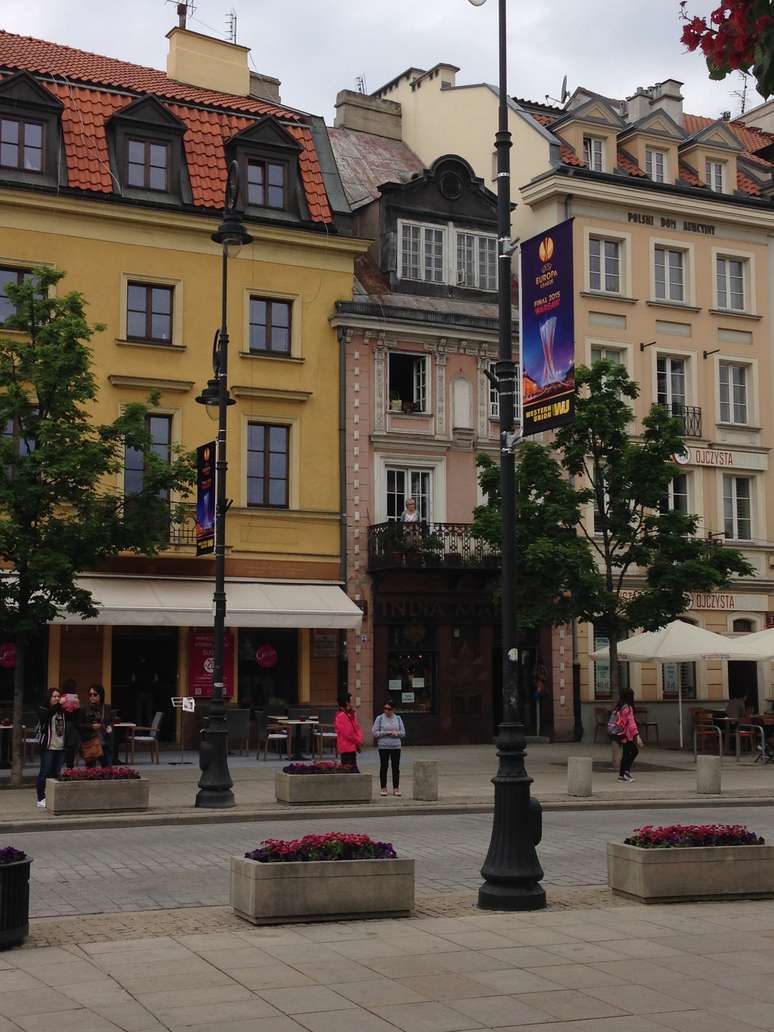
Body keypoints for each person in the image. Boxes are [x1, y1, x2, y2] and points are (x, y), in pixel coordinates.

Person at [36, 688, 69, 807]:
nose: (57, 698)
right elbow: (45, 717)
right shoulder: (43, 709)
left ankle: (52, 797)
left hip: (60, 746)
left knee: (55, 773)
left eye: (58, 696)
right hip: (48, 746)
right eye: (54, 696)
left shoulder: (62, 711)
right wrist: (58, 704)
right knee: (44, 772)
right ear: (48, 698)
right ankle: (41, 798)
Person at [372, 700, 405, 796]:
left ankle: (396, 788)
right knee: (384, 767)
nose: (386, 711)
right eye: (385, 708)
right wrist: (386, 733)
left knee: (396, 767)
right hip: (383, 746)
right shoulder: (380, 718)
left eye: (389, 709)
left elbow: (403, 733)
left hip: (396, 746)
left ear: (393, 709)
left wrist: (397, 733)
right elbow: (374, 733)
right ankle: (383, 787)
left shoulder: (398, 718)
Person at [610, 687, 642, 783]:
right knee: (633, 751)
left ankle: (624, 773)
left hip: (620, 734)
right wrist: (637, 736)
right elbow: (631, 723)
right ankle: (624, 774)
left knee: (627, 753)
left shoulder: (620, 706)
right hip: (626, 735)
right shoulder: (628, 708)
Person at [81, 685, 114, 767]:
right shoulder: (85, 709)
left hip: (105, 741)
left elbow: (110, 721)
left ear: (101, 695)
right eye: (90, 695)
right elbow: (79, 725)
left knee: (107, 769)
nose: (92, 697)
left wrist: (110, 727)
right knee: (91, 770)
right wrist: (91, 726)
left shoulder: (107, 708)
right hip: (91, 742)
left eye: (95, 694)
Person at [335, 697, 363, 771]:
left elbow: (356, 728)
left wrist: (358, 738)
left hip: (351, 746)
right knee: (349, 769)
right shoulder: (342, 716)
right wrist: (358, 740)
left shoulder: (350, 715)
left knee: (352, 768)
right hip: (346, 746)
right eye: (349, 703)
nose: (351, 705)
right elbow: (348, 733)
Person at [61, 678, 82, 768]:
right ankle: (70, 768)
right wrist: (76, 707)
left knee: (63, 747)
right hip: (72, 726)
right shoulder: (75, 698)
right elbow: (77, 714)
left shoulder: (62, 698)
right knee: (71, 748)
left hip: (63, 725)